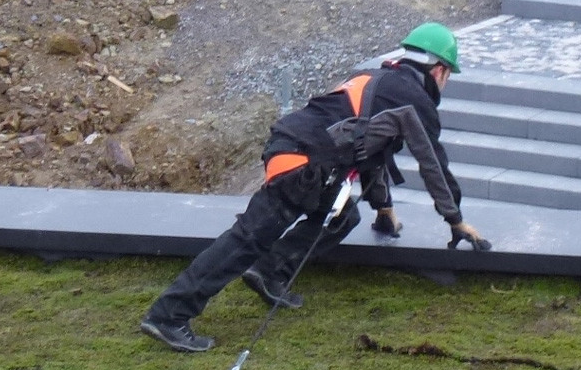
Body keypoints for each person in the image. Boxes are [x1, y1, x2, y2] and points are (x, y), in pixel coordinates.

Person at [139, 23, 489, 353]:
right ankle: (169, 316)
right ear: (439, 70)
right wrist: (455, 220)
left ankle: (270, 271)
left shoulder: (376, 79)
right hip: (304, 166)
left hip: (296, 153)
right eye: (448, 75)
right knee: (246, 240)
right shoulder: (414, 99)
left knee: (342, 216)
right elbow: (434, 166)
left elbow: (369, 150)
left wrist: (383, 210)